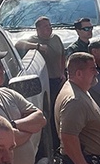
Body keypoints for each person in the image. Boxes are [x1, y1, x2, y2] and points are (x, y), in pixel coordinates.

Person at [15, 16, 67, 154]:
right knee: (50, 115)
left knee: (61, 112)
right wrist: (37, 47)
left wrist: (62, 72)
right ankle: (54, 146)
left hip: (59, 79)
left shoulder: (56, 39)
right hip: (46, 82)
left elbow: (63, 56)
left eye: (50, 26)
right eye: (45, 26)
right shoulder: (34, 40)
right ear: (37, 29)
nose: (49, 28)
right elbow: (18, 44)